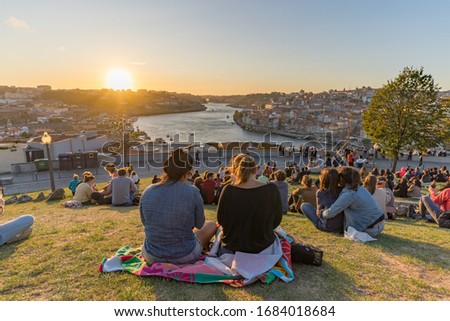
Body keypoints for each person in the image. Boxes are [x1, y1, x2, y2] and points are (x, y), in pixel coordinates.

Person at [140, 148, 217, 263]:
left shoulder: (148, 191)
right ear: (187, 171)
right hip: (184, 254)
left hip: (151, 254)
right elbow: (200, 224)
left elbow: (144, 222)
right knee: (211, 224)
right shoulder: (193, 192)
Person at [216, 154, 282, 255]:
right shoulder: (271, 189)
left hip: (232, 248)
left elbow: (221, 220)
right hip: (263, 248)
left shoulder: (228, 190)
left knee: (214, 230)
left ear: (235, 171)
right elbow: (277, 220)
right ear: (256, 169)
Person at [322, 167, 385, 237]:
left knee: (307, 208)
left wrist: (321, 213)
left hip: (371, 229)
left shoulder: (349, 194)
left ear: (342, 180)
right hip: (380, 224)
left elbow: (330, 213)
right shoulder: (359, 188)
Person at [300, 168, 344, 233]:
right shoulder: (343, 191)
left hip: (327, 226)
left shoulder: (321, 192)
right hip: (341, 226)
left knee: (304, 206)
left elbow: (319, 212)